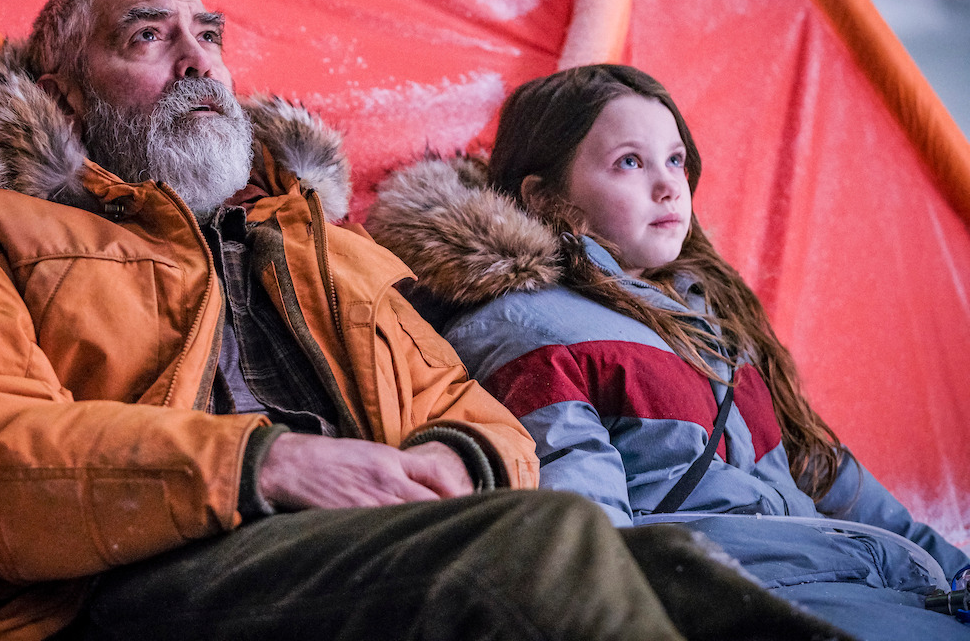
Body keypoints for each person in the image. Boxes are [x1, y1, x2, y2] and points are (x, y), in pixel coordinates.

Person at [0, 0, 850, 641]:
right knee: (541, 549)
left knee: (672, 565)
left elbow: (474, 412)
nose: (200, 61)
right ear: (66, 92)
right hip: (101, 588)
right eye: (148, 36)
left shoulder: (322, 248)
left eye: (207, 33)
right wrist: (267, 464)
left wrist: (460, 459)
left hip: (337, 565)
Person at [368, 63, 970, 641]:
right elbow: (586, 544)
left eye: (676, 160)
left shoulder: (711, 322)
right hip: (741, 600)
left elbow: (828, 476)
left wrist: (959, 571)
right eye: (630, 162)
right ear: (547, 199)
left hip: (862, 578)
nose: (667, 185)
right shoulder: (526, 327)